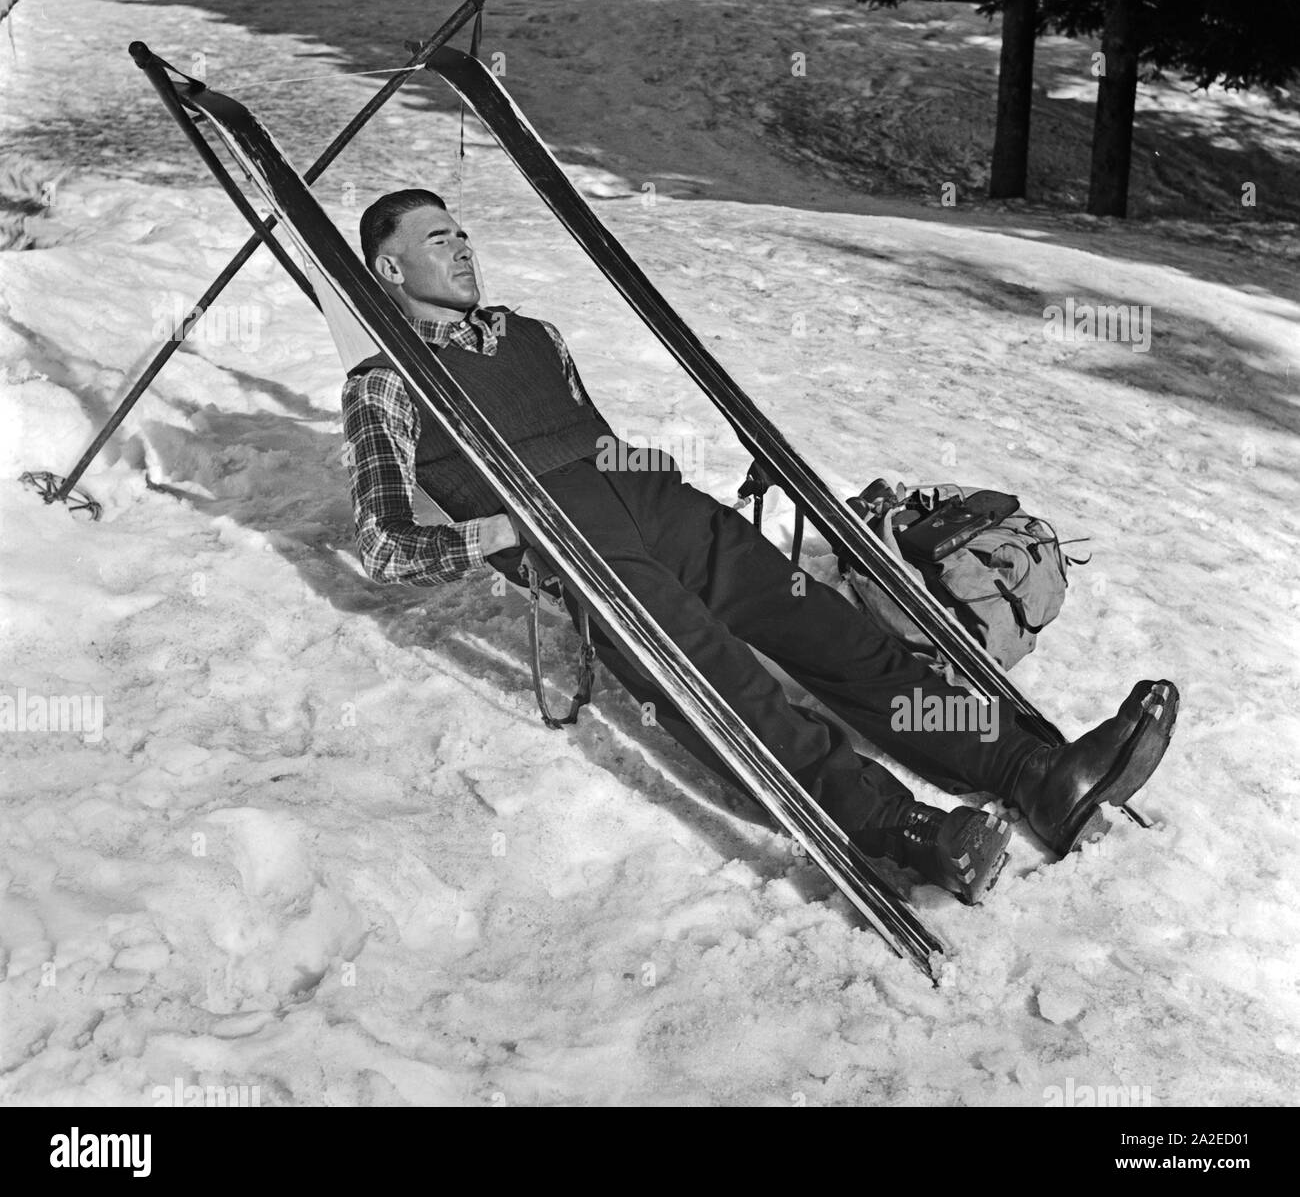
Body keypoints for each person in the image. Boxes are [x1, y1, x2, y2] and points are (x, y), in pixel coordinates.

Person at [340, 189, 1180, 904]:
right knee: (723, 682)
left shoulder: (535, 335)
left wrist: (650, 468)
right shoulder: (385, 384)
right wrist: (508, 531)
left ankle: (1035, 775)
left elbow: (588, 434)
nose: (462, 247)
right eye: (437, 239)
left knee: (844, 641)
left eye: (463, 232)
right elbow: (384, 546)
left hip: (659, 505)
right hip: (577, 549)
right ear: (388, 269)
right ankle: (903, 829)